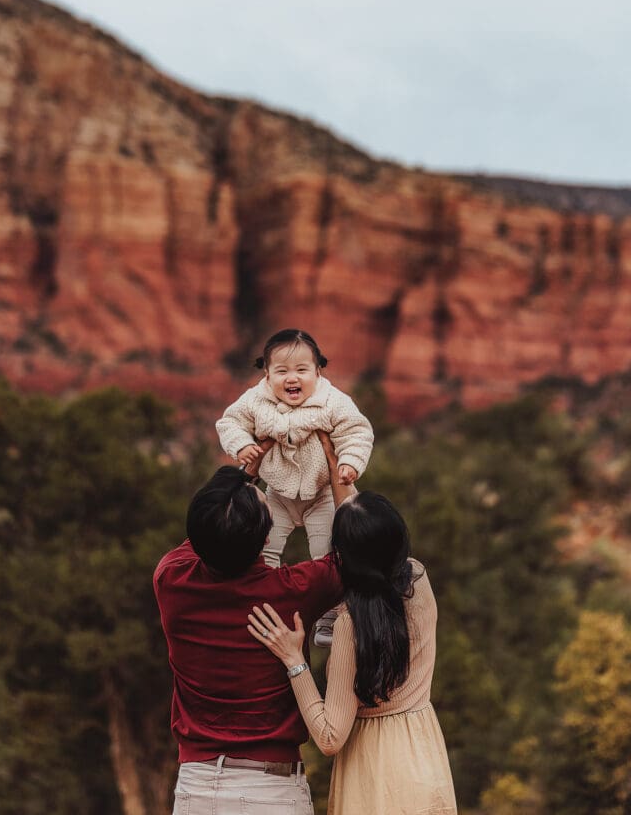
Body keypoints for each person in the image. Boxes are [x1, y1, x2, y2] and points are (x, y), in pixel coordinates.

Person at [153, 433, 356, 815]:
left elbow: (210, 528)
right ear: (267, 537)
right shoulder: (292, 591)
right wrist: (334, 466)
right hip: (270, 790)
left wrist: (248, 467)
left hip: (195, 787)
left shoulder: (171, 580)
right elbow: (355, 550)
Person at [247, 491, 458, 815]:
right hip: (424, 761)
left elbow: (330, 737)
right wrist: (336, 460)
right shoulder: (418, 580)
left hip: (373, 775)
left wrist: (294, 660)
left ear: (343, 556)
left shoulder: (351, 626)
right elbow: (368, 528)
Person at [216, 329, 373, 643]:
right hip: (278, 493)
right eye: (282, 371)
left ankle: (330, 617)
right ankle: (267, 604)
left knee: (327, 551)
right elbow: (229, 422)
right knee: (263, 547)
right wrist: (241, 445)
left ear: (318, 372)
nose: (293, 378)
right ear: (267, 374)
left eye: (302, 370)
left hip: (321, 492)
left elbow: (357, 431)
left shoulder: (333, 401)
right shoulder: (255, 400)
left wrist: (350, 462)